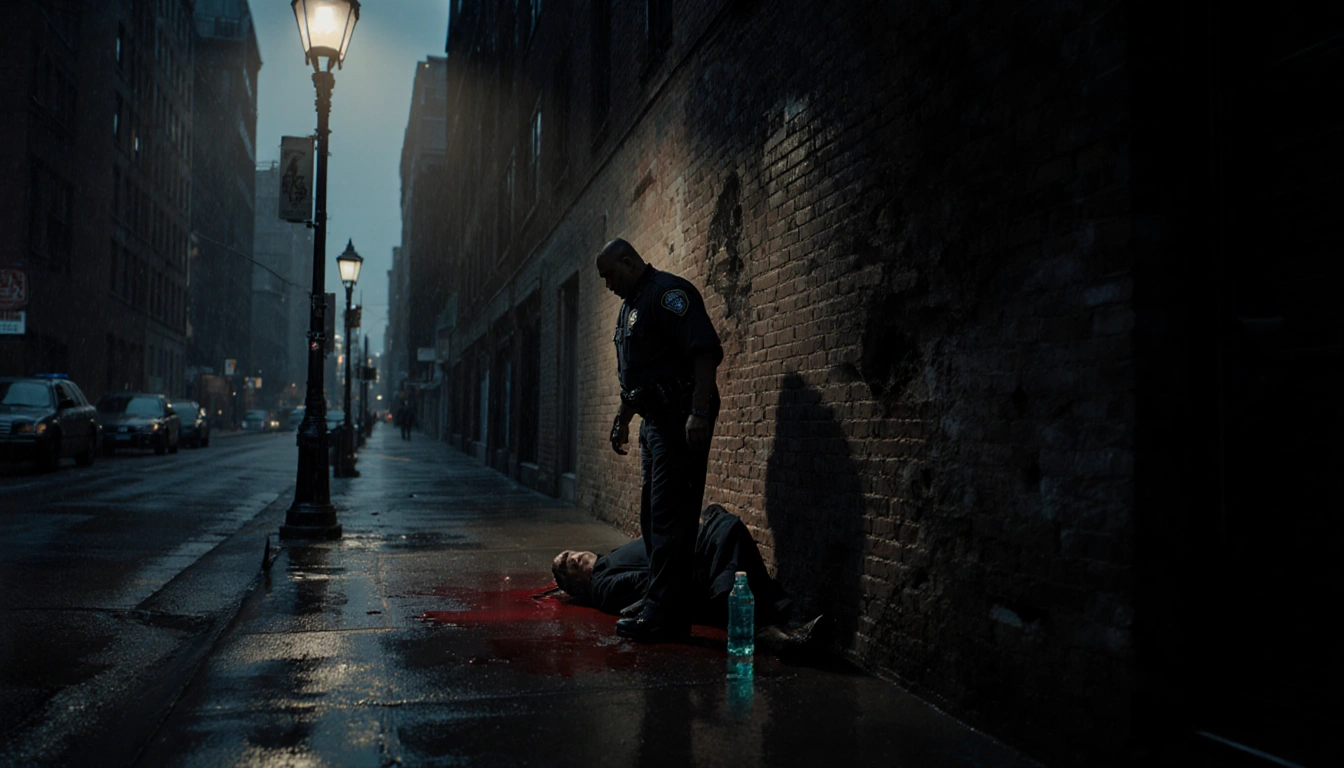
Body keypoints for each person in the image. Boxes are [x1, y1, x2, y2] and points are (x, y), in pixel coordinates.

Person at [596, 238, 723, 643]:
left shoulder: (668, 294)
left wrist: (699, 412)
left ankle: (664, 616)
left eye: (610, 275)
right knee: (654, 516)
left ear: (629, 262)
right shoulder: (630, 307)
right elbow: (638, 374)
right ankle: (661, 599)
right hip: (654, 421)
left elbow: (704, 351)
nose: (607, 284)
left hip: (678, 420)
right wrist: (624, 418)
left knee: (672, 517)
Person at [549, 504, 826, 654]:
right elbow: (653, 583)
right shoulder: (603, 585)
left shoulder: (609, 558)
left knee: (724, 524)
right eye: (564, 571)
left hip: (699, 545)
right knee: (730, 533)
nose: (567, 562)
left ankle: (777, 623)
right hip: (697, 561)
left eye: (564, 556)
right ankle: (763, 626)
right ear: (576, 587)